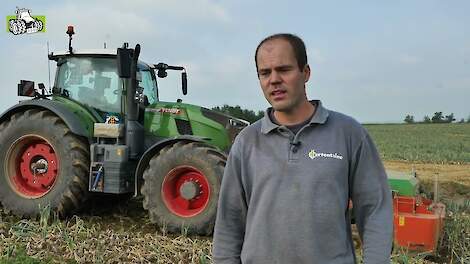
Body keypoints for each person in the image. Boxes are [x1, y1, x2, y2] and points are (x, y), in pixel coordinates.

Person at [212, 33, 393, 264]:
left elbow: (375, 209)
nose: (274, 80)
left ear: (305, 72)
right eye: (265, 73)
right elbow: (229, 222)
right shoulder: (247, 142)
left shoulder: (348, 134)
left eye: (284, 69)